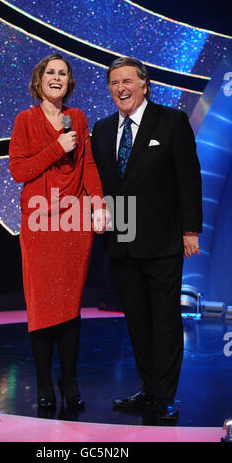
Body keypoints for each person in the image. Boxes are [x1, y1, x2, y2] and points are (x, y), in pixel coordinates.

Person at [91, 57, 202, 420]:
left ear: (144, 85)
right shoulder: (103, 129)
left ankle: (165, 395)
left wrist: (190, 229)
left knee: (165, 320)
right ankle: (149, 387)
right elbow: (103, 185)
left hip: (163, 241)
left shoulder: (172, 121)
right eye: (113, 83)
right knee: (137, 321)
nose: (120, 88)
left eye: (127, 81)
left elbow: (188, 177)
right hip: (121, 240)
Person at [9, 54, 107, 410]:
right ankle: (44, 382)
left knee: (68, 303)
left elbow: (90, 165)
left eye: (62, 73)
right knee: (41, 304)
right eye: (50, 72)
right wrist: (56, 148)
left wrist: (99, 205)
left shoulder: (77, 118)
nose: (56, 77)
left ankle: (70, 379)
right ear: (39, 80)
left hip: (74, 222)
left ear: (69, 82)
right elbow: (18, 171)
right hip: (39, 222)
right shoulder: (25, 120)